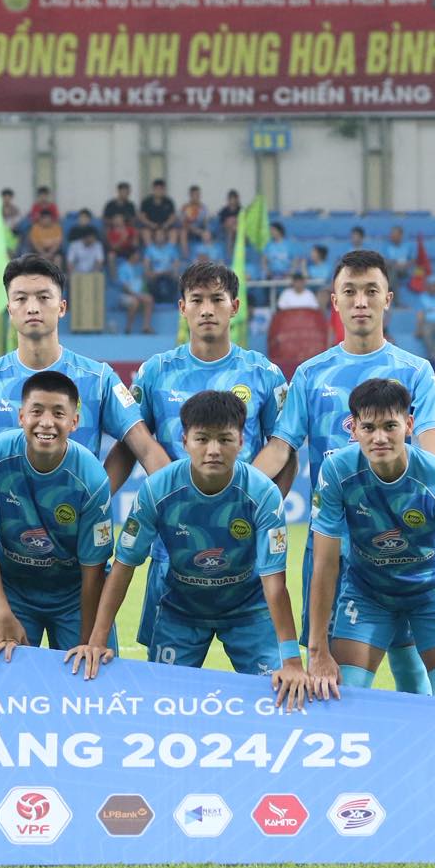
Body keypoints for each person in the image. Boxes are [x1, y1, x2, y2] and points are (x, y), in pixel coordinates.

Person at [254, 249, 435, 695]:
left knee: (409, 662)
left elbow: (432, 455)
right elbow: (280, 448)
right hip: (332, 543)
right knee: (330, 674)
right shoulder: (311, 374)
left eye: (371, 291)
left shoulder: (414, 372)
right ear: (334, 301)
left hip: (400, 544)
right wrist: (236, 492)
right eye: (350, 292)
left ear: (387, 299)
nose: (361, 301)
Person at [66, 391, 309, 711]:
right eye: (202, 439)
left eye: (225, 439)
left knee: (283, 697)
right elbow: (123, 566)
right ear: (185, 441)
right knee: (161, 707)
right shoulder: (158, 489)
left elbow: (275, 583)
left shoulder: (262, 494)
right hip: (180, 610)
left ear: (241, 441)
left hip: (250, 610)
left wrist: (292, 661)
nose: (213, 450)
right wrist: (97, 640)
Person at [109, 260, 289, 656]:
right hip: (171, 547)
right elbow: (130, 442)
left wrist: (261, 507)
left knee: (270, 678)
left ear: (235, 306)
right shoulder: (155, 372)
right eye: (197, 300)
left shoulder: (264, 373)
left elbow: (284, 448)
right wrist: (99, 497)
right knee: (166, 682)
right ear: (182, 307)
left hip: (242, 545)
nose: (207, 309)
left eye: (217, 299)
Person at [306, 379, 435, 715]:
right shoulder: (336, 471)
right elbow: (324, 563)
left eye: (390, 426)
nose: (379, 437)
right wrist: (318, 650)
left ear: (408, 425)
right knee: (337, 696)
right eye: (369, 427)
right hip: (367, 594)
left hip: (431, 594)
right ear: (354, 429)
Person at [0, 254, 170, 491]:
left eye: (43, 297)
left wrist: (99, 497)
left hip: (77, 517)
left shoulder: (99, 379)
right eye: (21, 299)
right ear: (10, 310)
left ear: (62, 307)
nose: (32, 308)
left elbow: (145, 449)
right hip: (4, 518)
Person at [0, 371, 114, 659]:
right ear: (21, 416)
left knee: (88, 675)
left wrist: (87, 641)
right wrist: (2, 613)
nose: (46, 422)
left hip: (74, 594)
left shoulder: (92, 478)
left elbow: (93, 570)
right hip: (12, 588)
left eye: (58, 413)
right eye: (37, 411)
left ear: (74, 421)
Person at [114, 249, 154, 334]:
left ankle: (146, 327)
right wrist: (136, 295)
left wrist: (146, 267)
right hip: (126, 295)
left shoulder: (140, 267)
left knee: (149, 299)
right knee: (134, 302)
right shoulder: (123, 268)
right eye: (137, 255)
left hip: (138, 294)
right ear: (131, 256)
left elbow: (148, 277)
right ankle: (128, 328)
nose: (139, 257)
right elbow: (124, 287)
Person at [142, 228, 179, 303]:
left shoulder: (171, 248)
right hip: (155, 274)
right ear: (154, 237)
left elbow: (176, 263)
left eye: (161, 235)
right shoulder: (149, 249)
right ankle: (156, 301)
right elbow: (146, 264)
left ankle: (171, 300)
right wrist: (149, 272)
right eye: (157, 235)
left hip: (168, 272)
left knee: (176, 277)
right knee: (149, 278)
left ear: (165, 236)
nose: (160, 237)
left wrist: (174, 271)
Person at [178, 185, 212, 251]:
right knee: (183, 232)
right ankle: (185, 255)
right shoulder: (185, 207)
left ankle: (208, 254)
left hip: (199, 230)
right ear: (190, 195)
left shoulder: (203, 207)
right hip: (189, 230)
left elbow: (206, 222)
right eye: (195, 194)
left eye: (198, 194)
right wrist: (193, 229)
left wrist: (204, 230)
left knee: (207, 233)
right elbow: (183, 222)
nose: (197, 196)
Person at [383, 225, 413, 290]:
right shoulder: (387, 246)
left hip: (405, 270)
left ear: (400, 235)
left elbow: (413, 260)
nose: (391, 236)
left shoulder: (408, 246)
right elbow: (384, 260)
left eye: (394, 234)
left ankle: (388, 289)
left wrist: (405, 265)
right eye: (391, 234)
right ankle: (390, 290)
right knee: (393, 271)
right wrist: (394, 264)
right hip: (392, 268)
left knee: (392, 273)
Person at [307, 243, 332, 308]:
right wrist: (303, 266)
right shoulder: (310, 268)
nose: (311, 254)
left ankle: (322, 314)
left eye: (313, 252)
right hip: (312, 291)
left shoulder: (328, 267)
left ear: (319, 254)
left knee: (322, 294)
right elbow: (307, 280)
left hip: (325, 291)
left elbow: (324, 281)